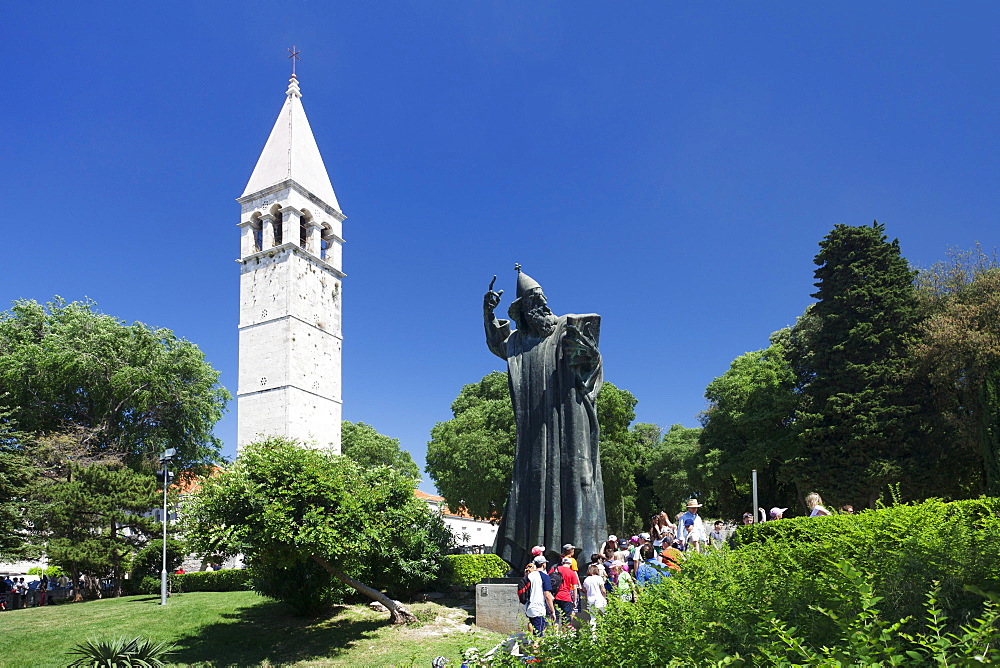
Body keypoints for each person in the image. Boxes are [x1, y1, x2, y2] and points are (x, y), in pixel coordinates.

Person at [484, 267, 605, 571]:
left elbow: (592, 361)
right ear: (523, 311)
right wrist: (488, 314)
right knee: (533, 482)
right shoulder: (519, 342)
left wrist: (587, 354)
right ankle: (532, 558)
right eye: (533, 303)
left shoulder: (566, 326)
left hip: (569, 421)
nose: (542, 307)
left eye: (543, 301)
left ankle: (576, 556)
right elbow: (497, 344)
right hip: (534, 432)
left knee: (575, 480)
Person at [524, 556, 555, 636]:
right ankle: (535, 647)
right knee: (538, 636)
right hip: (538, 608)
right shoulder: (544, 576)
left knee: (534, 630)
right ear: (543, 564)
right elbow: (547, 595)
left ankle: (530, 644)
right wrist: (552, 611)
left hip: (528, 607)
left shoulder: (529, 575)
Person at [550, 556, 581, 623]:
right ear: (570, 564)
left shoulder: (554, 569)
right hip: (566, 597)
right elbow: (575, 588)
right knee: (566, 619)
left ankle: (555, 633)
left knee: (556, 618)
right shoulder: (572, 573)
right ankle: (565, 633)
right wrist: (575, 601)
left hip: (555, 596)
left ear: (562, 562)